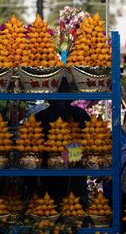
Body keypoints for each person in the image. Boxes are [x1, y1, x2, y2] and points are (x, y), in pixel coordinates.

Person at [24, 78, 90, 207]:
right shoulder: (80, 114)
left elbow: (33, 148)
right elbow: (87, 143)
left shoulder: (41, 116)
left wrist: (31, 183)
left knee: (49, 210)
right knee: (75, 210)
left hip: (49, 176)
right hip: (74, 175)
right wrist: (70, 157)